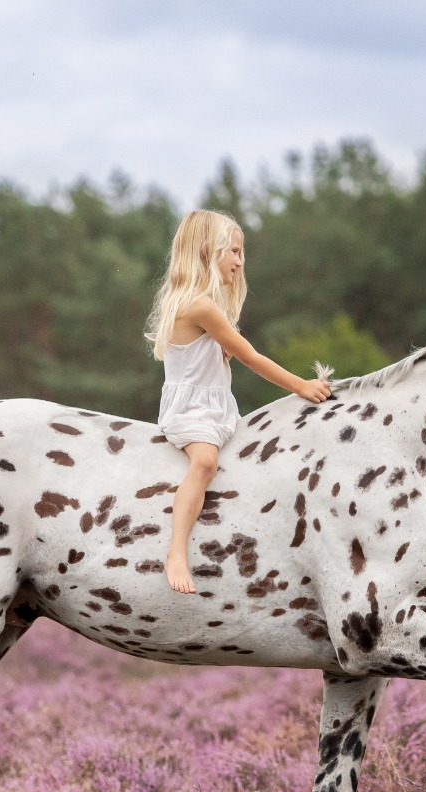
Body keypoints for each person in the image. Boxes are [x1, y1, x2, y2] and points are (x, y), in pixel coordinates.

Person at [144, 210, 332, 594]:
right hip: (192, 411)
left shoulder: (204, 306)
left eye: (240, 251)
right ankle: (176, 551)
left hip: (217, 407)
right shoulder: (200, 306)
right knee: (205, 462)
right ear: (206, 252)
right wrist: (300, 386)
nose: (239, 260)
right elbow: (251, 357)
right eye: (232, 250)